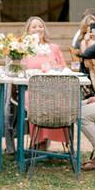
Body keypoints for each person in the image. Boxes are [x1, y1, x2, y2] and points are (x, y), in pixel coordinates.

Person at [21, 16, 68, 149]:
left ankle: (44, 139)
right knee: (35, 99)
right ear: (28, 30)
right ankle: (37, 140)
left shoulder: (53, 47)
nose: (38, 29)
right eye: (34, 27)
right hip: (32, 89)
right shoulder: (23, 49)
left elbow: (64, 68)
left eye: (40, 26)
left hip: (53, 88)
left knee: (57, 100)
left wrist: (52, 67)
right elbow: (20, 69)